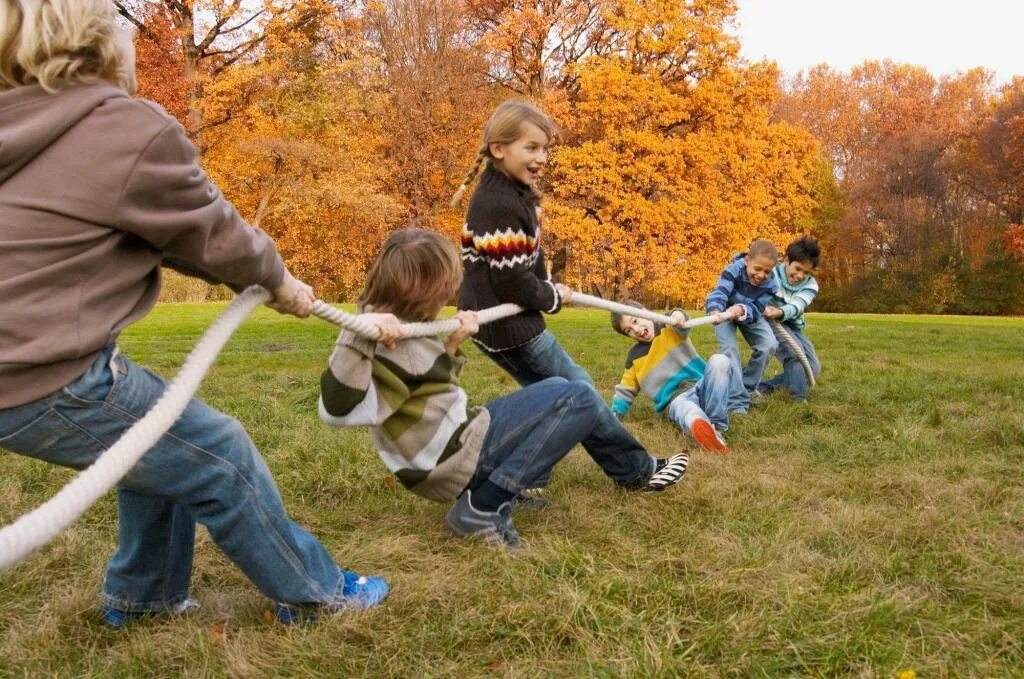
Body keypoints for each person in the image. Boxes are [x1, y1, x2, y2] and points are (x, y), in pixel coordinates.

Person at [0, 0, 385, 627]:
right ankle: (320, 594)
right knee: (219, 453)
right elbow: (215, 234)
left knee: (156, 439)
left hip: (18, 371)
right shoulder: (122, 128)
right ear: (105, 44)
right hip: (42, 377)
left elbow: (157, 234)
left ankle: (145, 597)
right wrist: (280, 281)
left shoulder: (16, 129)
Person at [319, 229, 690, 550]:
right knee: (578, 397)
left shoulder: (406, 324)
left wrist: (450, 345)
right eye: (445, 288)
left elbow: (419, 389)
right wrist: (357, 334)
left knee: (560, 386)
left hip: (456, 444)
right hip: (449, 459)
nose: (450, 294)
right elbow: (335, 410)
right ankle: (485, 505)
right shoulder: (373, 333)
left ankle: (498, 488)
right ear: (419, 290)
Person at [453, 99, 645, 496]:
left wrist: (550, 285)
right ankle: (636, 471)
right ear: (499, 149)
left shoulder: (515, 191)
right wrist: (549, 297)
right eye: (531, 147)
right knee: (580, 392)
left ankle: (528, 478)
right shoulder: (497, 202)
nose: (541, 157)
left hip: (509, 322)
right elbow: (513, 283)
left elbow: (530, 258)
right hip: (507, 324)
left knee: (551, 399)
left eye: (545, 149)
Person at [610, 303, 745, 453]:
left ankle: (716, 423)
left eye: (635, 321)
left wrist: (678, 316)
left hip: (701, 387)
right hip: (675, 400)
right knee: (688, 411)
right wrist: (614, 415)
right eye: (628, 330)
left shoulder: (669, 326)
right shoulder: (633, 358)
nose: (635, 329)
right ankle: (706, 432)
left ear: (644, 311)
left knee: (720, 361)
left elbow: (681, 320)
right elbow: (625, 390)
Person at [705, 239, 781, 410]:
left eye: (767, 272)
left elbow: (758, 308)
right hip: (724, 311)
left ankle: (747, 387)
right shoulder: (733, 270)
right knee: (730, 350)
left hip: (751, 313)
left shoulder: (771, 285)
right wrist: (716, 310)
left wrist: (742, 309)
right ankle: (737, 401)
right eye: (757, 269)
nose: (761, 275)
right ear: (747, 260)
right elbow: (721, 291)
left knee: (768, 344)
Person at [759, 236, 822, 401]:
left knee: (813, 368)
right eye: (798, 268)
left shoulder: (811, 285)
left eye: (806, 272)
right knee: (794, 355)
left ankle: (763, 388)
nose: (800, 275)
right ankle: (797, 399)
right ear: (787, 260)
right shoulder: (771, 274)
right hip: (770, 321)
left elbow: (798, 305)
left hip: (790, 322)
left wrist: (780, 311)